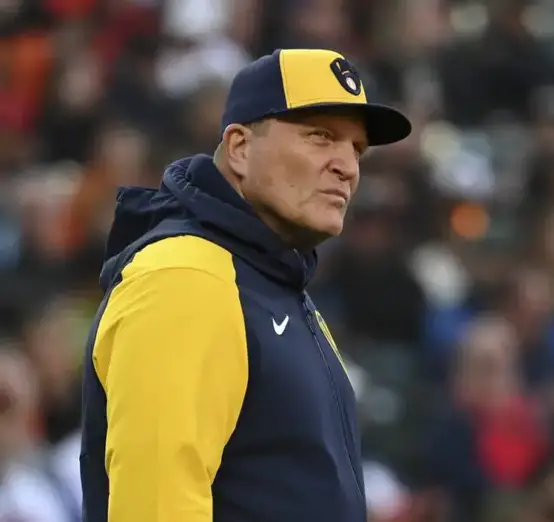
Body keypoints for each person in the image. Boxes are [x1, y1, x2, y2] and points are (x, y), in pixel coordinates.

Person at [79, 49, 411, 522]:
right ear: (239, 147)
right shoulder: (187, 277)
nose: (348, 166)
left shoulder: (273, 285)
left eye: (356, 149)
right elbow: (155, 508)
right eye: (321, 137)